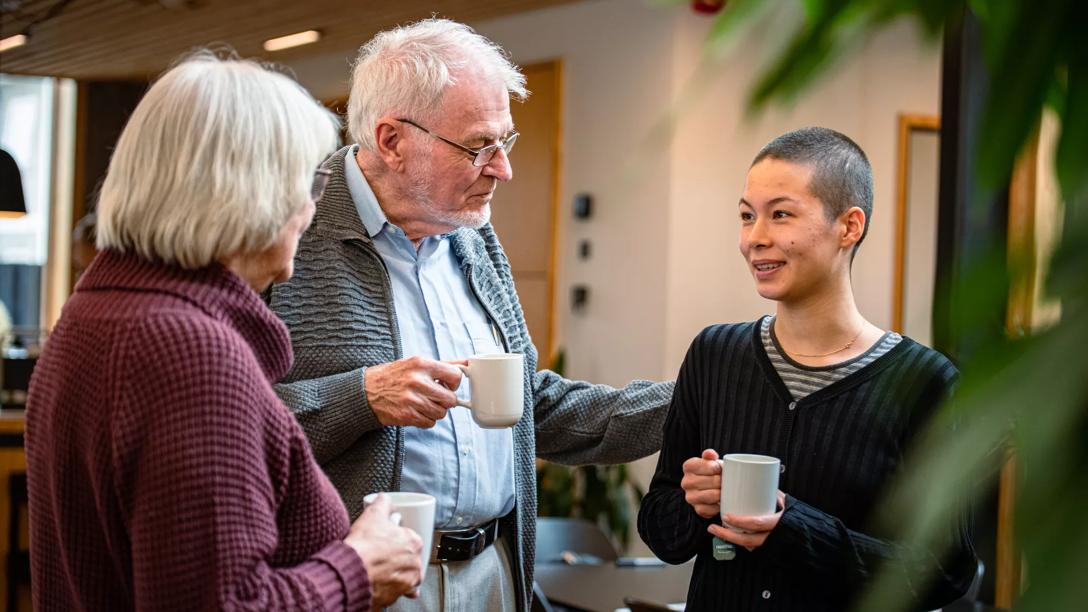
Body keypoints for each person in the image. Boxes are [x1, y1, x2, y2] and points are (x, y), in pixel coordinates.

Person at [266, 18, 675, 611]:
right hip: (361, 584)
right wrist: (362, 398)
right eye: (479, 146)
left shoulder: (472, 235)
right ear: (391, 140)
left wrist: (693, 398)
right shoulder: (287, 229)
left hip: (492, 575)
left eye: (505, 142)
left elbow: (533, 407)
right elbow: (225, 424)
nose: (502, 168)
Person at [25, 52, 424, 611]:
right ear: (252, 192)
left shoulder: (96, 313)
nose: (311, 210)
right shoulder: (189, 352)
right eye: (307, 182)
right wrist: (357, 568)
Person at [637, 127, 977, 610]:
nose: (755, 238)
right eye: (746, 216)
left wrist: (791, 526)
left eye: (780, 214)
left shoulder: (927, 382)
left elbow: (943, 572)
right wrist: (694, 502)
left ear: (849, 226)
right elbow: (662, 531)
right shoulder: (713, 354)